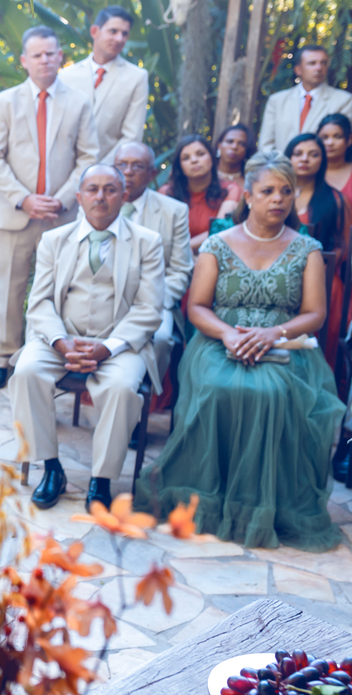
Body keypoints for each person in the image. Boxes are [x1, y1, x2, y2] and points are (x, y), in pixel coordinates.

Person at [134, 155, 344, 552]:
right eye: (268, 191)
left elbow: (315, 313)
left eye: (286, 191)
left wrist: (273, 332)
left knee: (270, 393)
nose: (278, 199)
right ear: (248, 196)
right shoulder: (218, 244)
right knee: (219, 388)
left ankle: (262, 505)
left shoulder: (307, 249)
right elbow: (198, 307)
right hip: (219, 342)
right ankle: (205, 497)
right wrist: (229, 335)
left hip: (285, 345)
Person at [9, 164, 164, 511]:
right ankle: (51, 467)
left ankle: (101, 480)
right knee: (26, 372)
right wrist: (61, 342)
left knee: (121, 389)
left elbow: (149, 308)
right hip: (60, 338)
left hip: (119, 343)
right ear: (79, 197)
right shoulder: (54, 240)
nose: (100, 197)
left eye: (110, 189)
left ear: (124, 196)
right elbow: (40, 301)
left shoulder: (147, 242)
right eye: (92, 189)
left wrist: (107, 348)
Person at [0, 26, 99, 389]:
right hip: (15, 213)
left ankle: (48, 353)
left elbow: (88, 157)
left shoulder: (79, 102)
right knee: (9, 289)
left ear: (60, 56)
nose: (45, 60)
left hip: (61, 215)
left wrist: (62, 199)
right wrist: (24, 198)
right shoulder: (6, 101)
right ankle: (3, 356)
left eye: (50, 53)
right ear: (24, 60)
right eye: (37, 55)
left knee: (58, 289)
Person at [115, 141, 193, 384]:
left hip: (156, 299)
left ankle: (145, 390)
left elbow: (181, 270)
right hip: (105, 297)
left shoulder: (174, 211)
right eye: (121, 165)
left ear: (152, 173)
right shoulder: (95, 205)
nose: (128, 172)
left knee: (160, 338)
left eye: (137, 166)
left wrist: (153, 300)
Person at [287, 132, 351, 369]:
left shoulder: (336, 199)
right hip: (275, 272)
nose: (305, 159)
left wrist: (312, 269)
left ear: (322, 160)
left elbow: (342, 247)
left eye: (313, 154)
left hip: (322, 275)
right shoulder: (273, 194)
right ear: (288, 157)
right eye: (298, 153)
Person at [59, 6, 150, 166]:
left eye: (124, 34)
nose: (119, 39)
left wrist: (100, 170)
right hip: (66, 168)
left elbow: (132, 135)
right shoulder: (66, 76)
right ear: (95, 31)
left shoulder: (137, 77)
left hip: (109, 170)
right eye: (113, 31)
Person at [258, 45, 352, 154]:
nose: (319, 68)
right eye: (312, 63)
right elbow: (266, 145)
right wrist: (282, 163)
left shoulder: (344, 100)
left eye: (323, 63)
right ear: (298, 70)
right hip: (281, 164)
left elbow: (344, 142)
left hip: (323, 164)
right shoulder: (277, 101)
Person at [159, 135, 239, 253]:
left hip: (213, 255)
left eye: (200, 154)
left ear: (212, 158)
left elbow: (219, 231)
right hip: (171, 259)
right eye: (186, 158)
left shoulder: (230, 189)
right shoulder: (166, 192)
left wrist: (182, 249)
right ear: (179, 166)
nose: (194, 160)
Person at [214, 124, 256, 197]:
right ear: (219, 146)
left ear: (247, 151)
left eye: (241, 144)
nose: (234, 147)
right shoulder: (207, 175)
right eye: (230, 141)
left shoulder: (251, 182)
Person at [319, 113, 352, 201]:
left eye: (337, 137)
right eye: (324, 138)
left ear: (349, 139)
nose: (330, 143)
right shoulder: (309, 172)